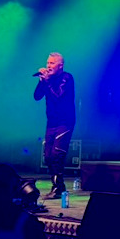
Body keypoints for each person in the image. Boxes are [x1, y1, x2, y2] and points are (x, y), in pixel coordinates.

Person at [34, 52, 75, 199]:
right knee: (48, 156)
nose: (48, 66)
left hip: (65, 121)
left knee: (57, 154)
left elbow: (59, 95)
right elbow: (37, 96)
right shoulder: (48, 80)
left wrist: (48, 81)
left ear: (60, 65)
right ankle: (58, 186)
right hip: (51, 122)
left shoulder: (67, 78)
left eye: (52, 63)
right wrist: (42, 82)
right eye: (47, 63)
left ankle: (58, 189)